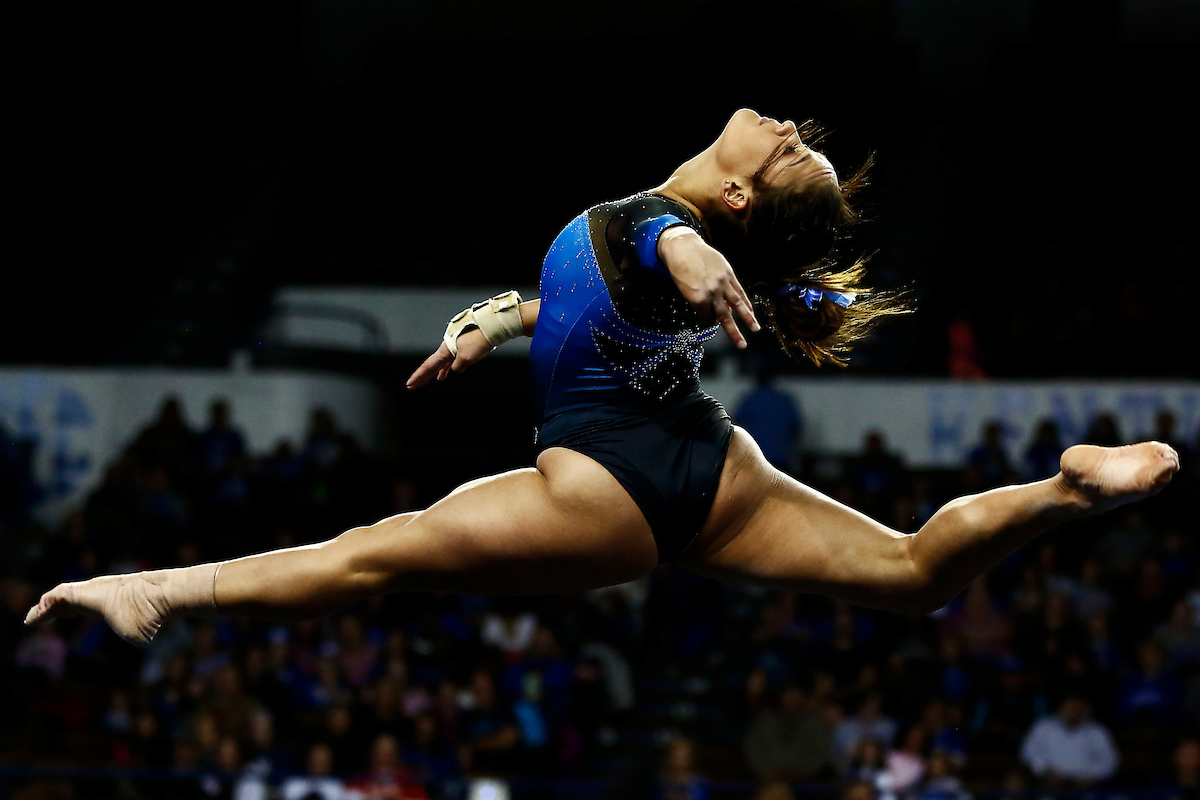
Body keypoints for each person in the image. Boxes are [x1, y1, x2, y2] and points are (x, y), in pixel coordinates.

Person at [23, 109, 1180, 669]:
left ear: (734, 203)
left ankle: (158, 588)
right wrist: (502, 321)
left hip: (604, 482)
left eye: (785, 151)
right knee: (916, 572)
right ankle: (1072, 493)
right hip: (712, 466)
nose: (781, 124)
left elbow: (661, 248)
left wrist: (695, 258)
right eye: (796, 135)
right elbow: (598, 296)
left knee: (374, 551)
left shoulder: (662, 225)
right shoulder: (654, 244)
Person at [1018, 694, 1119, 788]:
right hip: (1048, 782)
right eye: (1071, 707)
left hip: (1087, 784)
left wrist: (1092, 775)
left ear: (1088, 709)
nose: (1075, 711)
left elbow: (1109, 761)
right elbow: (1029, 753)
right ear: (1061, 707)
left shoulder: (1097, 731)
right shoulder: (1043, 726)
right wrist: (1046, 770)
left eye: (1079, 708)